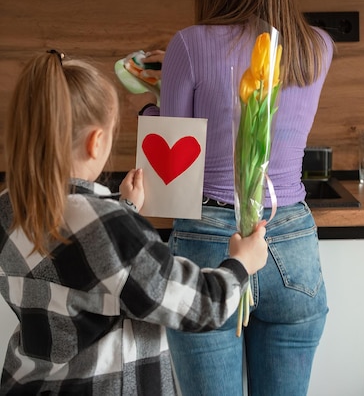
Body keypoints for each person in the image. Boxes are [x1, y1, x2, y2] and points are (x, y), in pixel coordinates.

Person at [137, 0, 334, 396]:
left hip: (209, 243)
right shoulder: (317, 46)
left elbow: (171, 165)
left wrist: (151, 99)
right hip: (290, 242)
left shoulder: (188, 45)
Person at [0, 50, 268, 395]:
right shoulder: (108, 227)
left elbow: (76, 270)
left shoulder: (9, 209)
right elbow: (202, 307)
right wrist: (242, 263)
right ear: (96, 142)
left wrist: (124, 207)